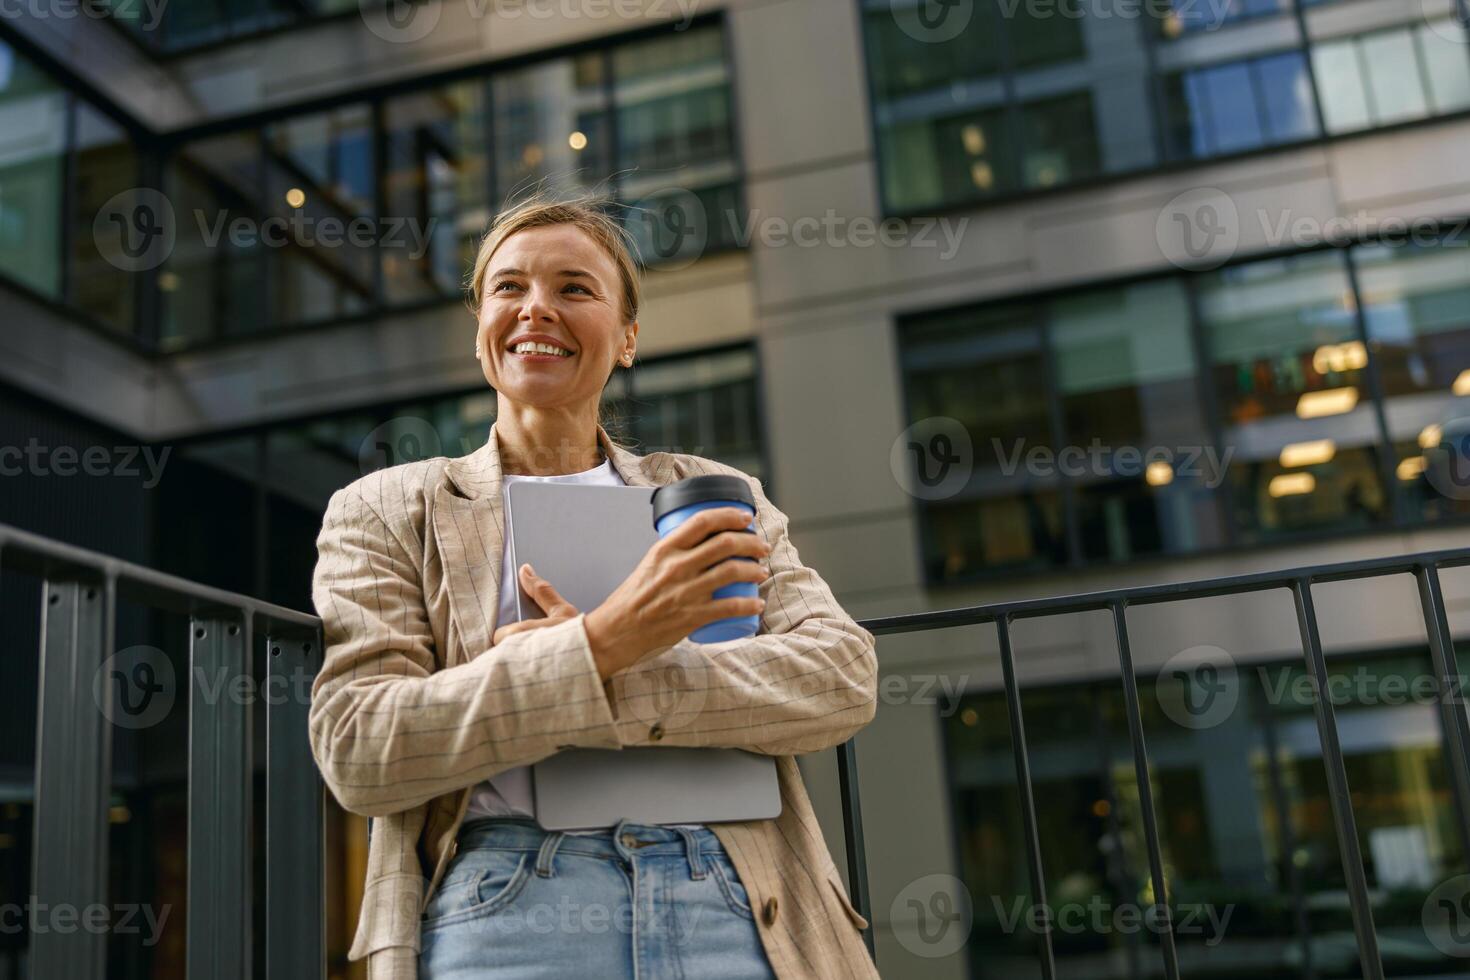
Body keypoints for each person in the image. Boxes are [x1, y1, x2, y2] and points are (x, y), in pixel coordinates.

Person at [308, 191, 882, 979]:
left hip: (733, 892)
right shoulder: (385, 507)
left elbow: (841, 676)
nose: (536, 308)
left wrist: (617, 664)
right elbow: (361, 747)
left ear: (628, 338)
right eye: (509, 288)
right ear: (481, 333)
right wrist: (602, 641)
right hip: (511, 905)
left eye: (574, 289)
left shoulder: (716, 491)